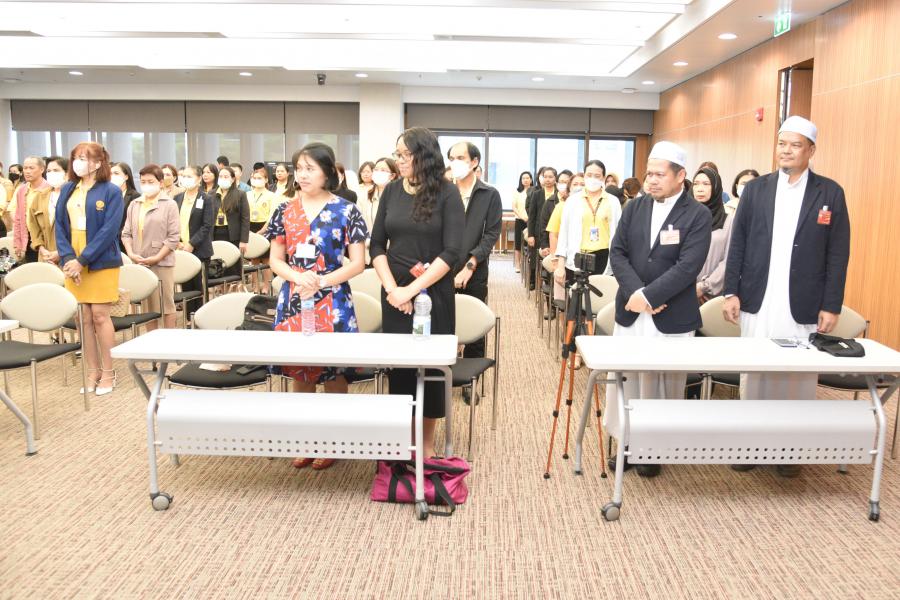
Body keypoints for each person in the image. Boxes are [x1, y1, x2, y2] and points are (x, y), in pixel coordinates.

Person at [723, 116, 850, 477]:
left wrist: (831, 304)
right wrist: (731, 291)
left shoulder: (830, 193)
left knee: (797, 377)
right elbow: (738, 243)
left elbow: (838, 253)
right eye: (782, 144)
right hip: (758, 296)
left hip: (803, 301)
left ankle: (790, 451)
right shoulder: (756, 190)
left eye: (795, 145)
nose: (786, 151)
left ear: (811, 150)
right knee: (755, 373)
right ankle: (748, 446)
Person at [605, 141, 712, 478]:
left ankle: (654, 449)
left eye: (659, 174)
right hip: (631, 309)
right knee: (628, 379)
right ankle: (627, 443)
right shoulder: (634, 207)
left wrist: (650, 297)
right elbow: (617, 253)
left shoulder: (697, 214)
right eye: (648, 173)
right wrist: (636, 293)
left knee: (661, 383)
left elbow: (688, 266)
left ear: (680, 176)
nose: (651, 180)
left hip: (671, 313)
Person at [267, 142, 367, 471]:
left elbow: (358, 263)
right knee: (301, 371)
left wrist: (321, 281)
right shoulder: (284, 210)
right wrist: (298, 277)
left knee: (333, 372)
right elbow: (275, 260)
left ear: (327, 173)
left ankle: (334, 441)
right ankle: (306, 441)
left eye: (310, 168)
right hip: (295, 297)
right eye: (299, 168)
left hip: (333, 298)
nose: (302, 175)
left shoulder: (346, 210)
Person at [370, 127, 464, 460]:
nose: (398, 160)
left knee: (431, 369)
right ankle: (403, 438)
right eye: (397, 154)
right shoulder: (392, 192)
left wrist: (411, 289)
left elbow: (452, 251)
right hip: (394, 293)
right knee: (402, 369)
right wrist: (393, 289)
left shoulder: (447, 194)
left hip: (432, 293)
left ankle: (425, 444)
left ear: (423, 155)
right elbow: (376, 245)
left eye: (404, 154)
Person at [56, 142, 124, 397]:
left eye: (84, 158)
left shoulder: (111, 191)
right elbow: (59, 225)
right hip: (72, 258)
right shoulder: (68, 188)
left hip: (100, 258)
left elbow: (109, 231)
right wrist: (67, 258)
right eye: (76, 158)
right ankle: (92, 370)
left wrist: (82, 260)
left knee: (99, 316)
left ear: (98, 163)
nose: (78, 162)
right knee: (82, 318)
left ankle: (108, 371)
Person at [448, 141, 502, 362]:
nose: (455, 163)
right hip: (443, 268)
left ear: (474, 162)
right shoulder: (444, 192)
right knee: (444, 323)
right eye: (452, 159)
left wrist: (470, 266)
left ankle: (472, 374)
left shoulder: (489, 194)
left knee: (474, 323)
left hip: (475, 269)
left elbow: (491, 234)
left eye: (460, 158)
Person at [121, 164, 180, 330]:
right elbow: (126, 234)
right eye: (143, 181)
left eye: (150, 181)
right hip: (139, 261)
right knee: (147, 307)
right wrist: (131, 253)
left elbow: (173, 237)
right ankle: (151, 339)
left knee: (166, 305)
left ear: (160, 183)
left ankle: (169, 339)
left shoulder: (169, 204)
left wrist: (157, 257)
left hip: (161, 261)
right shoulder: (135, 204)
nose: (146, 185)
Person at [553, 160, 622, 284]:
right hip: (578, 255)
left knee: (600, 294)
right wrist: (560, 265)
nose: (592, 179)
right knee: (578, 293)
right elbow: (564, 233)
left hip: (604, 256)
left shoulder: (613, 201)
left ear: (603, 178)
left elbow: (619, 234)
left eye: (597, 176)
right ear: (584, 176)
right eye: (589, 175)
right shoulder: (572, 201)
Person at [173, 165, 214, 316]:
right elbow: (173, 223)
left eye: (189, 176)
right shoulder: (177, 198)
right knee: (186, 287)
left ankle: (202, 318)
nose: (185, 179)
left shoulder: (206, 198)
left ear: (198, 179)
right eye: (184, 176)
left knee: (199, 287)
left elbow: (207, 225)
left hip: (199, 249)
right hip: (181, 248)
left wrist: (192, 243)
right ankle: (189, 318)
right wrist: (178, 241)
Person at [692, 167, 733, 302]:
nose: (700, 189)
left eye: (706, 184)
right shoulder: (683, 218)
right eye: (696, 184)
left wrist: (704, 287)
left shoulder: (727, 220)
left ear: (716, 188)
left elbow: (729, 259)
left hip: (713, 294)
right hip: (682, 291)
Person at [357, 157, 398, 266]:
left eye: (383, 170)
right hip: (369, 252)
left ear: (392, 175)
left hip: (393, 254)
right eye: (376, 169)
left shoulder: (398, 197)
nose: (378, 172)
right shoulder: (364, 196)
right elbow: (358, 223)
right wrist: (367, 240)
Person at [27, 156, 68, 264]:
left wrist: (61, 252)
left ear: (67, 173)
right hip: (45, 255)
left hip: (68, 256)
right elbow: (33, 225)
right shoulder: (40, 196)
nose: (51, 173)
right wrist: (41, 248)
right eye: (49, 171)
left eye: (56, 170)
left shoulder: (74, 196)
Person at [212, 166, 250, 279]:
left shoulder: (240, 194)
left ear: (233, 179)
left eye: (226, 176)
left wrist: (244, 240)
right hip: (215, 233)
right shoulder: (211, 194)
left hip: (232, 234)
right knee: (217, 263)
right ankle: (220, 286)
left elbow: (245, 218)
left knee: (233, 265)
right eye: (221, 176)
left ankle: (234, 286)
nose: (223, 179)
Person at [10, 156, 49, 264]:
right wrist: (17, 243)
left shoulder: (49, 188)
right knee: (31, 269)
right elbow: (18, 218)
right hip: (28, 237)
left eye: (31, 168)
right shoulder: (22, 190)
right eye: (25, 168)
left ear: (42, 169)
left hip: (46, 238)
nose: (27, 171)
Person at [526, 167, 557, 290]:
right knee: (535, 258)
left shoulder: (558, 195)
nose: (547, 179)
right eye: (545, 177)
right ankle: (533, 280)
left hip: (554, 232)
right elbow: (532, 216)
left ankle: (548, 283)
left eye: (550, 177)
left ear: (555, 179)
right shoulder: (537, 194)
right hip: (538, 231)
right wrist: (530, 235)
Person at [539, 170, 571, 257]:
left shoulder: (576, 202)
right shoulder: (549, 202)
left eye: (567, 182)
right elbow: (543, 226)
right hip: (552, 243)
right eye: (561, 182)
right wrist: (545, 245)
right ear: (557, 184)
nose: (564, 185)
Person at [511, 170, 532, 274]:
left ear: (531, 180)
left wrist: (529, 218)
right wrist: (522, 217)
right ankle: (518, 265)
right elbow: (514, 207)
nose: (525, 180)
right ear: (521, 180)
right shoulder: (517, 192)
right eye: (523, 178)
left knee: (530, 243)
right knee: (518, 244)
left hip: (531, 221)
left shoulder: (534, 191)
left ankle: (529, 264)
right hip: (520, 220)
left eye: (527, 178)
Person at [111, 162, 140, 230]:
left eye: (116, 173)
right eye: (110, 174)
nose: (112, 176)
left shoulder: (135, 196)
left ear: (126, 176)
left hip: (124, 234)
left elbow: (134, 222)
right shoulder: (108, 195)